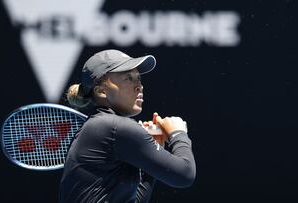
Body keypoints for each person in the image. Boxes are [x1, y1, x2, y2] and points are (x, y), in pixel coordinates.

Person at [58, 49, 196, 203]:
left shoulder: (105, 127)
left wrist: (154, 152)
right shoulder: (115, 127)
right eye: (128, 78)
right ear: (101, 91)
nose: (139, 86)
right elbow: (184, 175)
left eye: (138, 78)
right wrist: (178, 134)